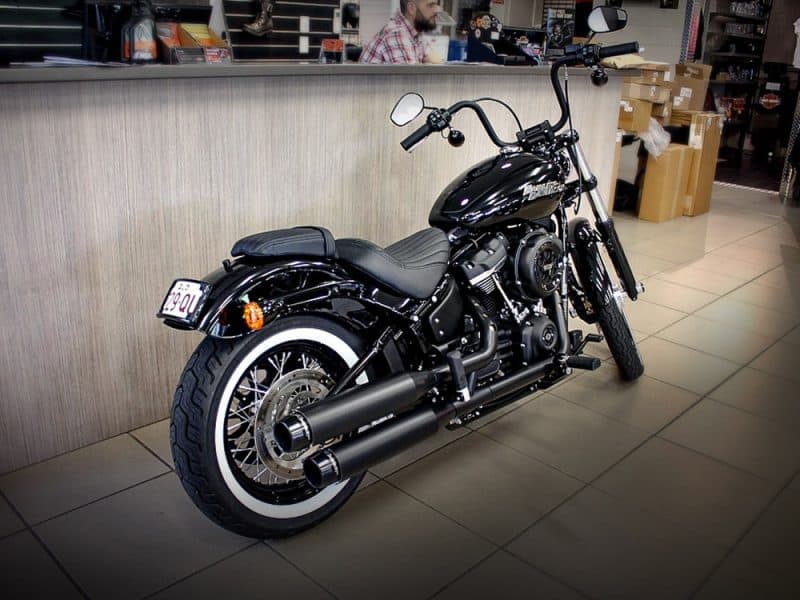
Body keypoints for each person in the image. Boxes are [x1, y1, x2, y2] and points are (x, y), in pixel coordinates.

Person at [359, 0, 440, 64]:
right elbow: (410, 81)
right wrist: (427, 63)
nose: (437, 10)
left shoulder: (416, 32)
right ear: (411, 8)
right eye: (431, 5)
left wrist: (430, 62)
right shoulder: (396, 34)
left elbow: (435, 60)